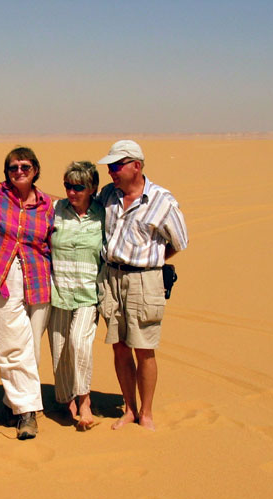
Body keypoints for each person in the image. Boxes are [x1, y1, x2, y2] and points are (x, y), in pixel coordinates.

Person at [95, 140, 188, 431]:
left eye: (116, 166)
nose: (111, 172)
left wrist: (151, 260)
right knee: (120, 347)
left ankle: (146, 413)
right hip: (111, 277)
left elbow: (180, 242)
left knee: (144, 348)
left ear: (136, 165)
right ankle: (129, 408)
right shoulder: (107, 195)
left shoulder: (162, 200)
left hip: (144, 280)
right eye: (110, 166)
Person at [0, 147, 55, 440]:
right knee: (11, 348)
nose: (18, 171)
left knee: (31, 349)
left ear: (35, 169)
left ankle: (11, 404)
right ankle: (27, 414)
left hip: (39, 281)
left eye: (24, 166)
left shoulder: (49, 204)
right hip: (3, 279)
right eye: (13, 167)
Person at [47, 161, 105, 430]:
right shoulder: (56, 210)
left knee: (78, 343)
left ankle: (85, 402)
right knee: (60, 351)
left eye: (78, 187)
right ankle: (66, 400)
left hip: (88, 293)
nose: (72, 192)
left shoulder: (103, 215)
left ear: (92, 188)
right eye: (68, 186)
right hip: (58, 291)